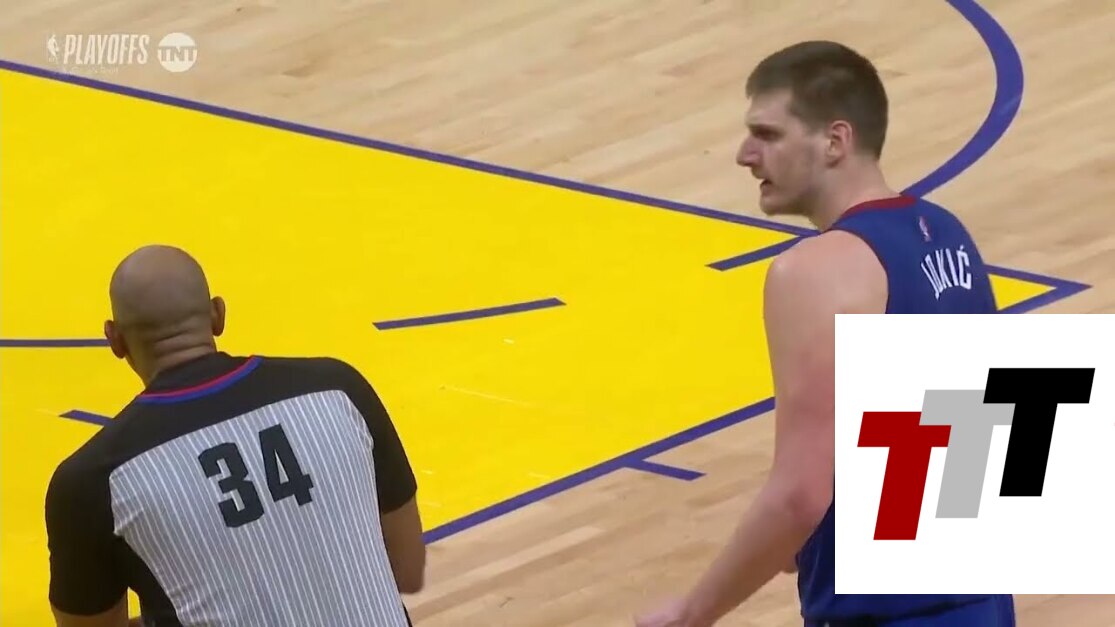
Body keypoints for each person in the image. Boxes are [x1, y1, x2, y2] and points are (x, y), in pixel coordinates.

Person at [635, 41, 1013, 627]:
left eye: (767, 134)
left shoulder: (814, 271)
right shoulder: (947, 233)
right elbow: (995, 443)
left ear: (835, 141)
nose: (744, 155)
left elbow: (802, 494)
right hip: (982, 604)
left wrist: (691, 613)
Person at [45, 245, 426, 627]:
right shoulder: (340, 390)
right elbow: (408, 567)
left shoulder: (93, 479)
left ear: (114, 340)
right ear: (218, 315)